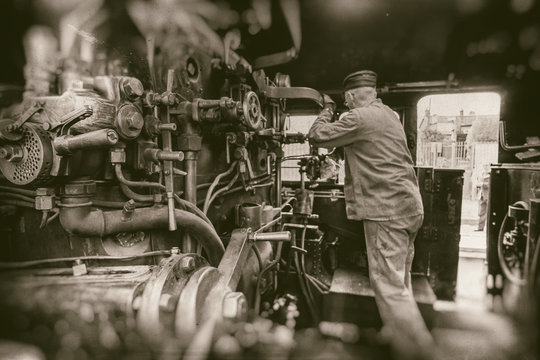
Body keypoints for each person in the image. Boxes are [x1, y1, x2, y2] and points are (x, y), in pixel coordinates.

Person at [308, 70, 437, 359]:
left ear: (351, 96)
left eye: (345, 99)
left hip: (386, 211)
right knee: (399, 283)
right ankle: (396, 335)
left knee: (389, 288)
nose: (345, 103)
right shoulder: (388, 114)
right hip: (408, 207)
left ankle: (421, 352)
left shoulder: (358, 117)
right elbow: (370, 149)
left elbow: (317, 136)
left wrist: (328, 109)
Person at [475, 165, 490, 231]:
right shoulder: (482, 174)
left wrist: (481, 184)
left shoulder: (490, 175)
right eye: (484, 166)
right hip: (482, 195)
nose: (485, 167)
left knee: (489, 212)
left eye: (486, 165)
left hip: (488, 195)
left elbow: (489, 185)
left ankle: (489, 228)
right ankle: (480, 227)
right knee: (481, 212)